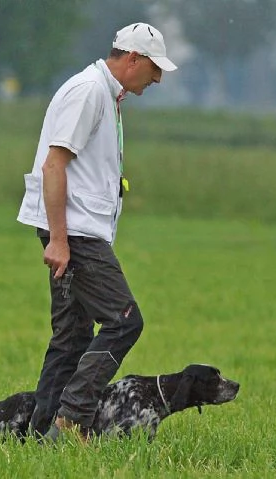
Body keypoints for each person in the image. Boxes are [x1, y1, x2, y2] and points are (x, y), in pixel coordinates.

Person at [16, 23, 177, 442]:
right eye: (154, 69)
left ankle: (41, 433)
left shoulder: (105, 94)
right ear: (133, 59)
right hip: (76, 235)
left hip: (77, 232)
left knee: (70, 339)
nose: (157, 78)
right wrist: (58, 239)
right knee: (125, 321)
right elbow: (54, 165)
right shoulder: (89, 91)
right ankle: (73, 419)